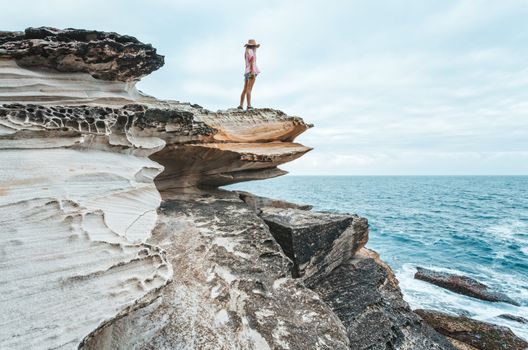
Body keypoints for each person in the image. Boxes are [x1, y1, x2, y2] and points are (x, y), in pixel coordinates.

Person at [238, 39, 260, 110]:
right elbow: (251, 61)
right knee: (249, 89)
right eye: (255, 46)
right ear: (253, 46)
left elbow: (247, 62)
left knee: (245, 89)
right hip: (251, 70)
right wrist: (252, 71)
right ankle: (249, 106)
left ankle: (241, 106)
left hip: (247, 71)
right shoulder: (251, 51)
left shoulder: (246, 52)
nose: (255, 47)